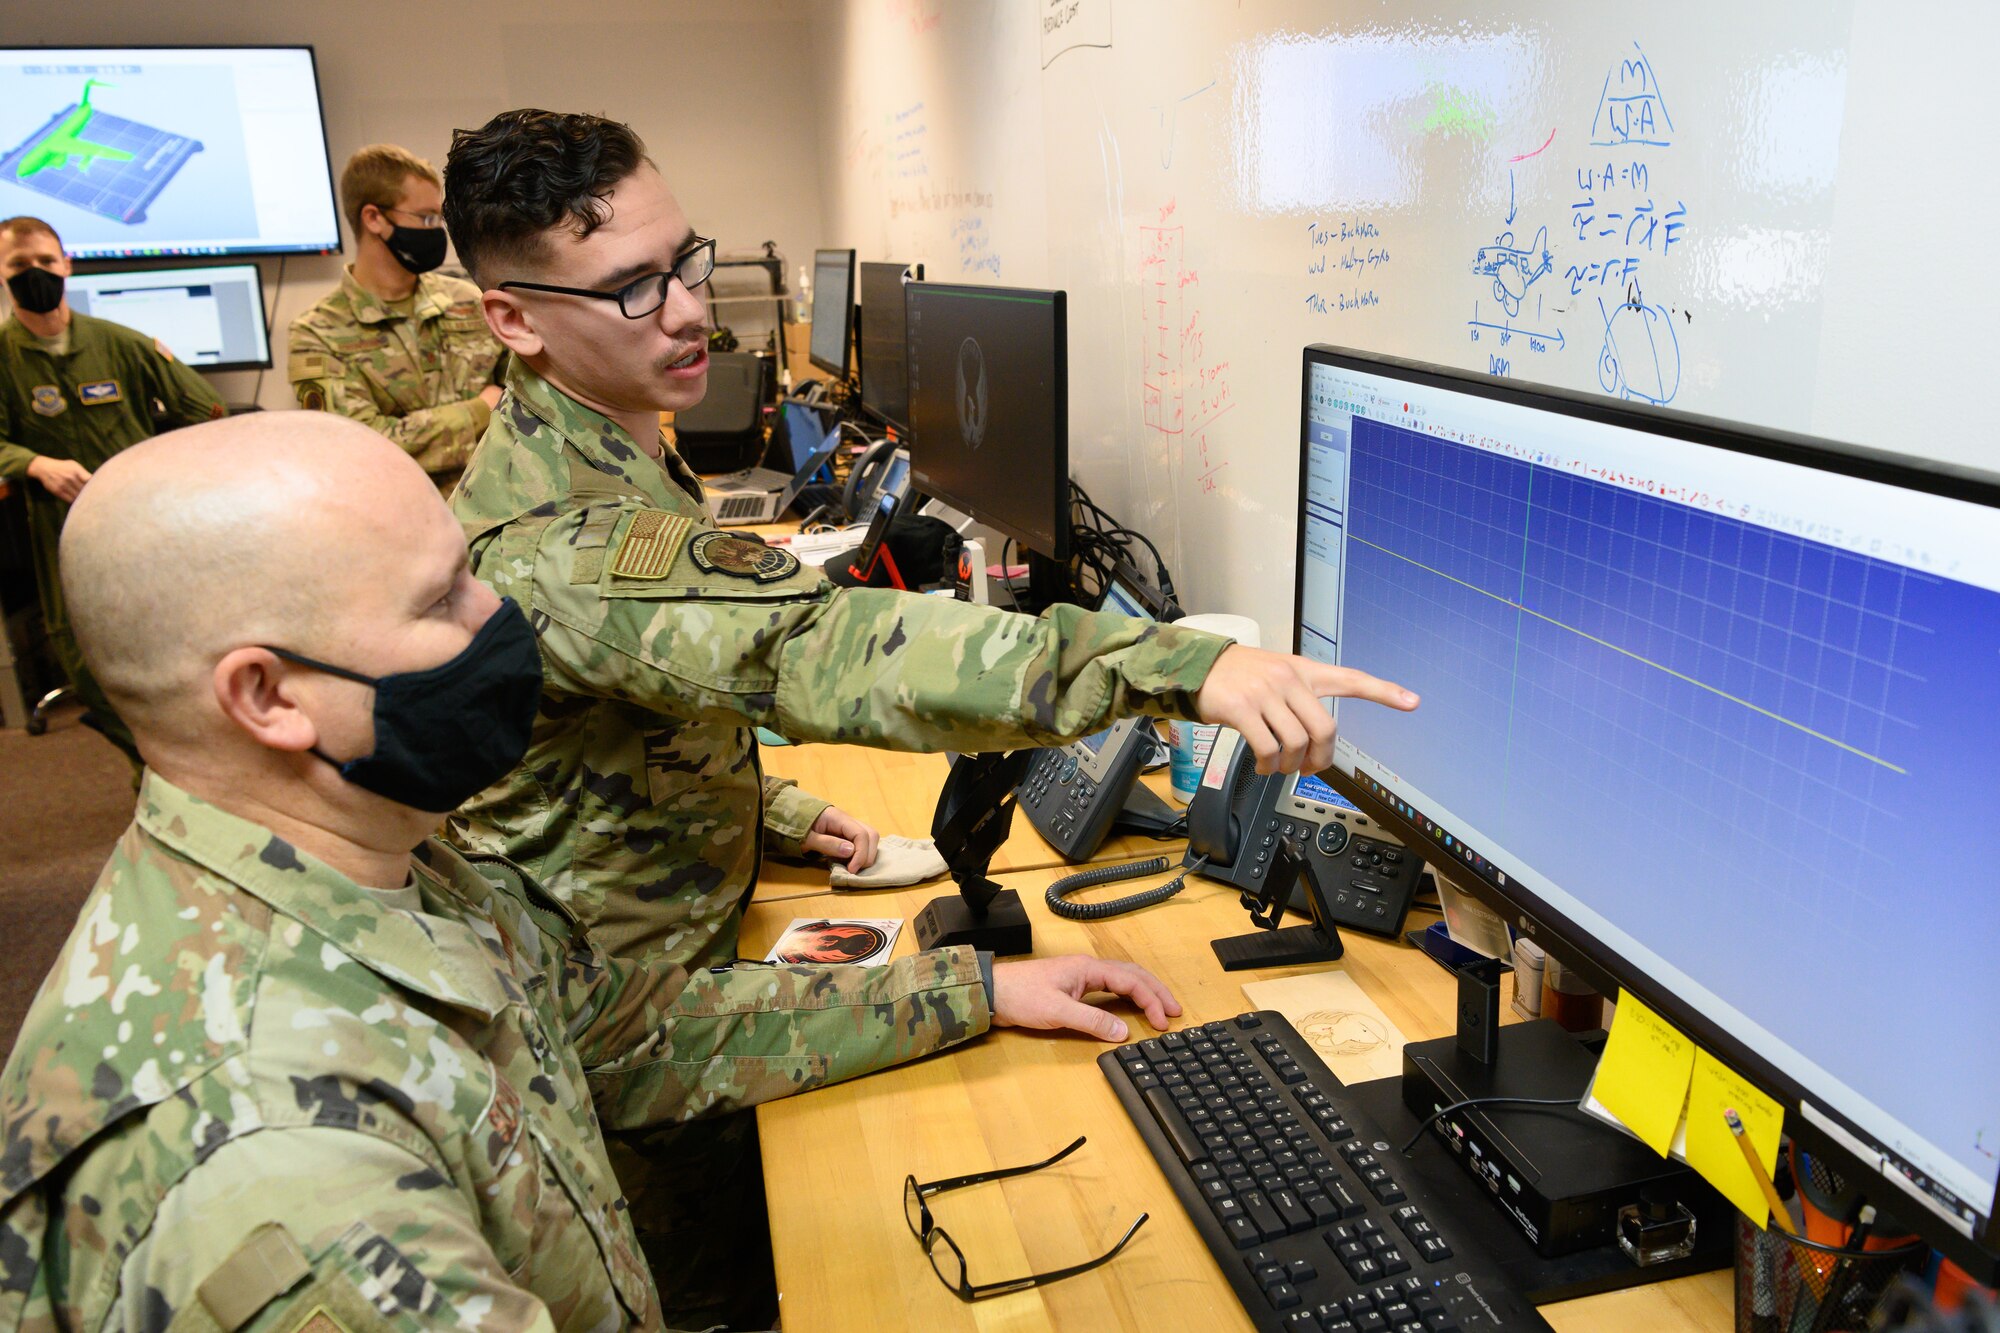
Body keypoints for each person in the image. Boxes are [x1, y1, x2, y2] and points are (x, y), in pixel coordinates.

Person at [440, 108, 1421, 1329]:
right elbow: (810, 642)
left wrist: (769, 805)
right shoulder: (559, 538)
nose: (691, 309)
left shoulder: (601, 446)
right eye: (631, 289)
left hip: (651, 967)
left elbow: (608, 701)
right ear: (514, 317)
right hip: (632, 1075)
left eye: (686, 261)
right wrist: (1174, 664)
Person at [0, 411, 1188, 1329]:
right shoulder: (278, 1167)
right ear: (267, 696)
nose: (501, 617)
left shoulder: (381, 861)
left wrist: (967, 993)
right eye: (443, 599)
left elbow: (617, 1038)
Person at [0, 214, 226, 766]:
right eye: (19, 266)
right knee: (86, 665)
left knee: (171, 650)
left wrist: (163, 466)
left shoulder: (119, 344)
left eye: (46, 262)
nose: (36, 274)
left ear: (67, 265)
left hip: (141, 528)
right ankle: (151, 765)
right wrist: (32, 463)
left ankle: (181, 769)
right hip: (61, 535)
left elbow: (208, 410)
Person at [289, 144, 503, 493]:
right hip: (397, 518)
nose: (437, 231)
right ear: (374, 218)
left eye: (439, 217)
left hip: (496, 509)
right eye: (425, 218)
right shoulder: (317, 332)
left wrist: (410, 433)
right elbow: (356, 450)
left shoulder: (468, 301)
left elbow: (525, 404)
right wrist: (478, 411)